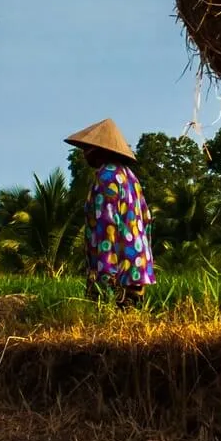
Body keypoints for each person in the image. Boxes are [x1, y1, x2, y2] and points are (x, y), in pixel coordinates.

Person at [65, 120, 156, 308]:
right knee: (131, 325)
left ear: (100, 151)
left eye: (88, 149)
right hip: (136, 265)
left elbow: (107, 225)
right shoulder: (130, 177)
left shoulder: (106, 176)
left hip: (117, 269)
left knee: (108, 323)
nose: (84, 154)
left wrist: (106, 272)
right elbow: (146, 218)